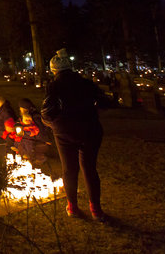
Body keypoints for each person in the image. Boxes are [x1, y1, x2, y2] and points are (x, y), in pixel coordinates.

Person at [41, 48, 106, 221]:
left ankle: (73, 207)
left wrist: (53, 125)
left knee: (69, 170)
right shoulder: (85, 82)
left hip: (65, 132)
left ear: (54, 70)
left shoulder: (54, 85)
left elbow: (47, 112)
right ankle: (96, 209)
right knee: (90, 169)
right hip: (90, 130)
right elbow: (105, 100)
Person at [11, 98, 52, 164]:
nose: (19, 109)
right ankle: (19, 152)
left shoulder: (35, 118)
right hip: (27, 137)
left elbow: (39, 132)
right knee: (19, 141)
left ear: (25, 108)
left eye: (21, 108)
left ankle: (32, 156)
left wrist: (45, 141)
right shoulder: (24, 117)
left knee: (26, 143)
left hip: (35, 139)